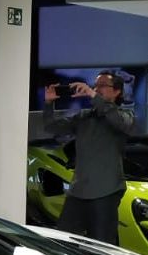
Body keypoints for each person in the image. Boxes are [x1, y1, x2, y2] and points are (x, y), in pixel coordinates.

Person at [41, 71, 136, 244]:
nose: (96, 89)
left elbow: (119, 121)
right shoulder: (84, 117)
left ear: (117, 91)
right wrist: (49, 103)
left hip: (106, 191)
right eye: (95, 86)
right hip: (78, 190)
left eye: (102, 86)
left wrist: (93, 95)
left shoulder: (124, 115)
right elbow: (52, 127)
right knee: (63, 241)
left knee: (101, 244)